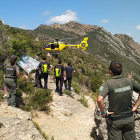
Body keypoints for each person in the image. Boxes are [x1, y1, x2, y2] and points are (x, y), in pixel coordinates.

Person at [97, 61, 140, 140]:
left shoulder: (108, 83)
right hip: (129, 118)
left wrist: (103, 113)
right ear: (121, 71)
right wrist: (136, 106)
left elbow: (99, 100)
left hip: (115, 121)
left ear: (110, 72)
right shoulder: (129, 81)